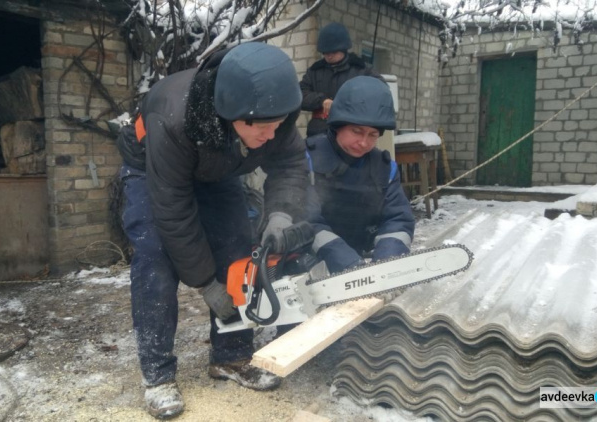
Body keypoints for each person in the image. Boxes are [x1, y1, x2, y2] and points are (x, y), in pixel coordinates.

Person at [116, 42, 308, 419]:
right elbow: (173, 212)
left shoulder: (273, 116)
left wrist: (282, 214)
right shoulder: (174, 118)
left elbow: (291, 165)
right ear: (232, 112)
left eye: (278, 125)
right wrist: (205, 283)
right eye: (264, 128)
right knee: (156, 257)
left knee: (237, 246)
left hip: (216, 167)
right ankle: (157, 375)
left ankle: (231, 356)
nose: (272, 134)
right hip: (152, 167)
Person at [306, 76, 415, 274]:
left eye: (373, 135)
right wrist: (344, 262)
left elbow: (398, 219)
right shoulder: (308, 159)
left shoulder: (385, 168)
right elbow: (306, 220)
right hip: (311, 265)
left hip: (361, 262)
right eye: (356, 131)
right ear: (338, 125)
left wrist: (386, 262)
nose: (364, 143)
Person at [300, 22, 382, 138]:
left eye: (333, 52)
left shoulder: (362, 70)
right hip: (319, 132)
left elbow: (380, 91)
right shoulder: (315, 71)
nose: (329, 56)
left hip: (352, 131)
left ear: (343, 49)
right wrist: (321, 100)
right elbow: (300, 94)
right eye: (325, 52)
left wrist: (346, 102)